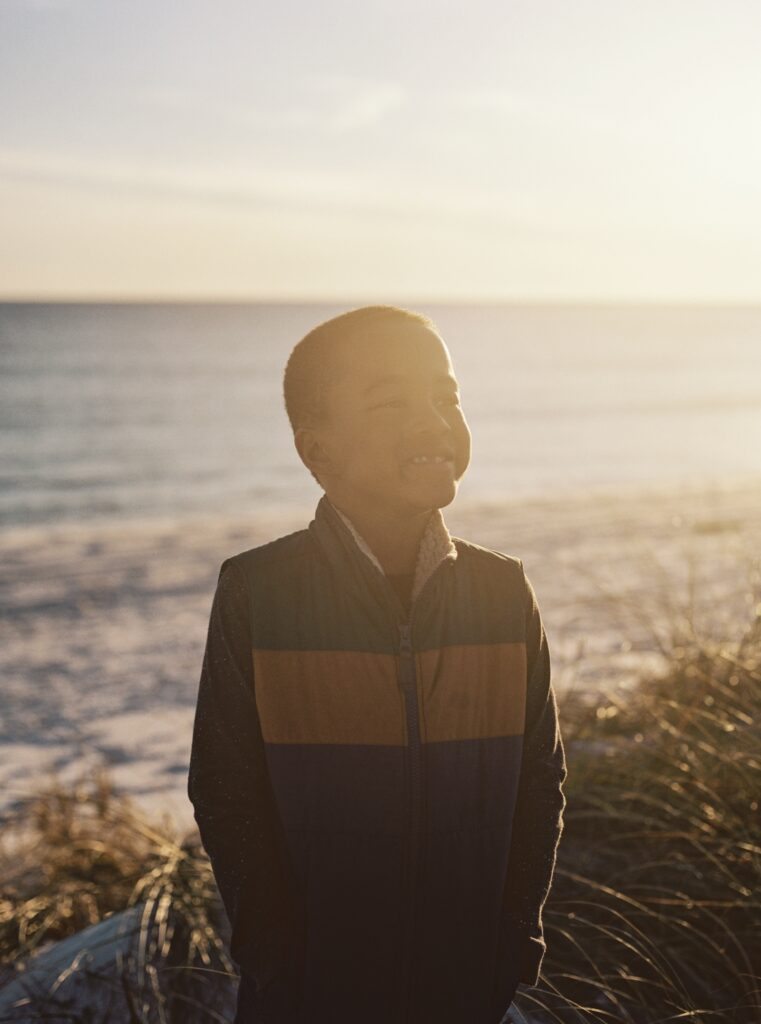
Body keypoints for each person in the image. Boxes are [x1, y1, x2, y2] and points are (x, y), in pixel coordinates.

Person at [187, 305, 567, 1024]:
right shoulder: (259, 594)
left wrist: (513, 940)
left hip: (465, 985)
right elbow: (223, 785)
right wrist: (274, 958)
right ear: (317, 450)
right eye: (391, 401)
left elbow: (539, 780)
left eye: (445, 397)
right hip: (307, 993)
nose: (432, 420)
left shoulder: (501, 592)